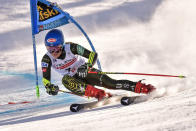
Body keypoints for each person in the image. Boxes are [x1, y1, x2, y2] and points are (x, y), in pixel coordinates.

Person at [41, 29, 155, 101]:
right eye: (50, 49)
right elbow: (46, 80)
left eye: (56, 49)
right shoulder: (46, 59)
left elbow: (92, 55)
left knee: (111, 83)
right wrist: (50, 88)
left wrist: (86, 66)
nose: (54, 53)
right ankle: (99, 94)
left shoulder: (71, 47)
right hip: (74, 82)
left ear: (62, 45)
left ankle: (144, 88)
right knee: (65, 79)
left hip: (86, 73)